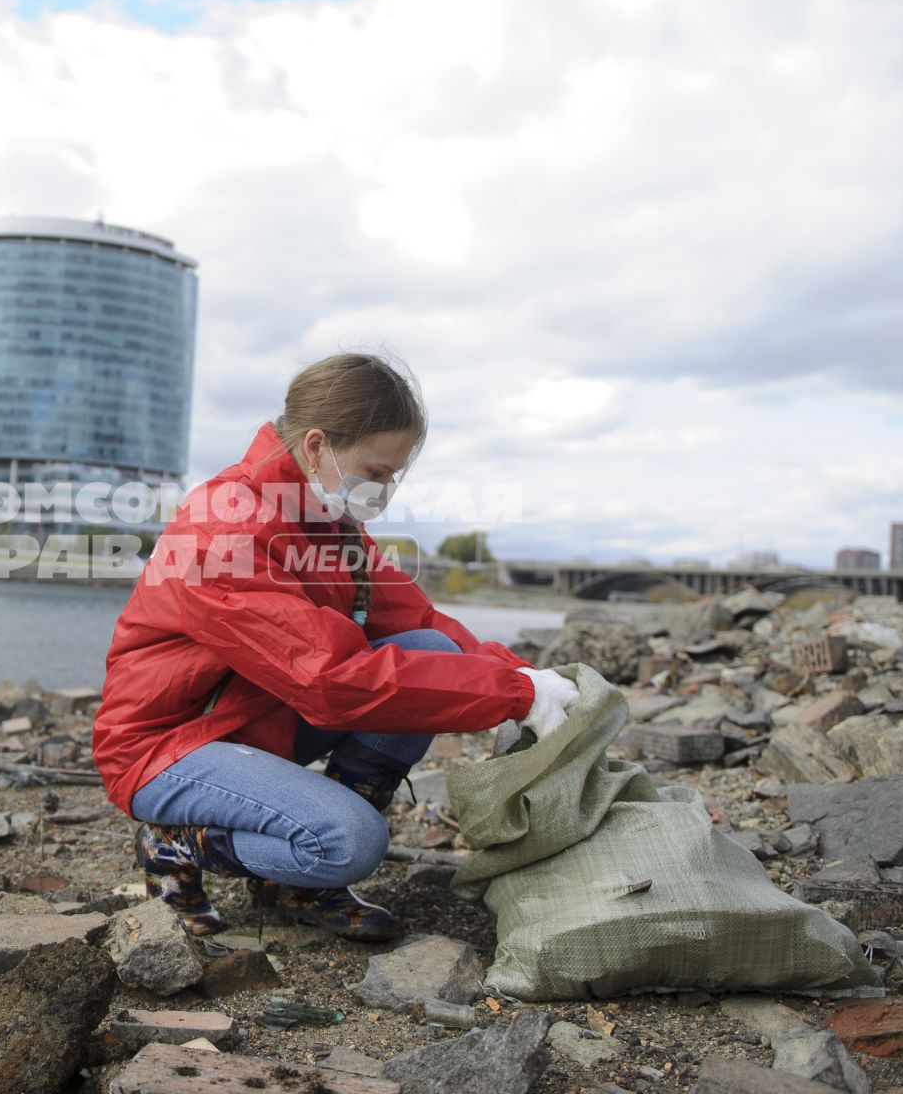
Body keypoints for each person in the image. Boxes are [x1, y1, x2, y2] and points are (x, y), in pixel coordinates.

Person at [90, 351, 579, 940]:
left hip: (256, 718)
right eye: (376, 472)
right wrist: (509, 695)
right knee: (351, 842)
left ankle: (296, 882)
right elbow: (328, 680)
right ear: (317, 445)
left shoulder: (324, 517)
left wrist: (523, 675)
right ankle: (175, 840)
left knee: (430, 649)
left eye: (393, 475)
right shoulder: (222, 533)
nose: (385, 491)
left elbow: (416, 617)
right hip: (168, 744)